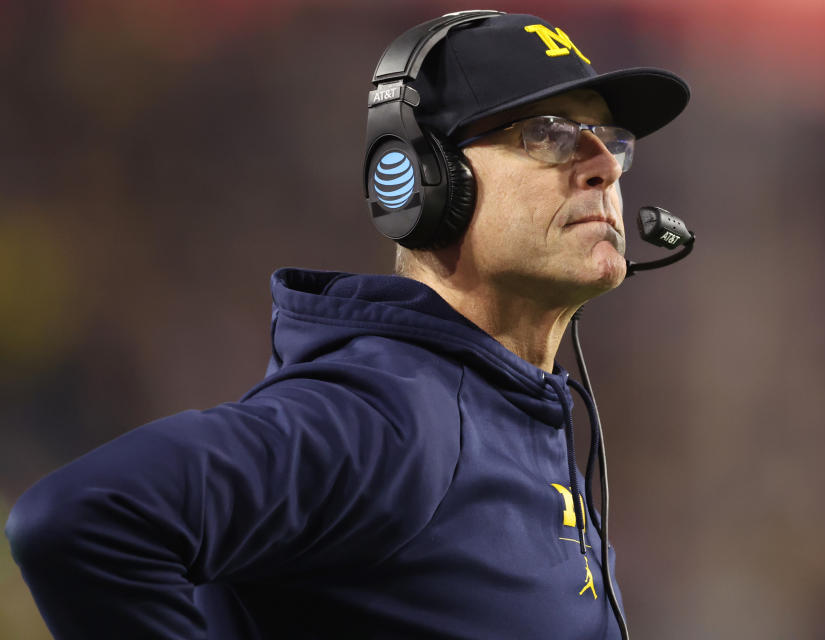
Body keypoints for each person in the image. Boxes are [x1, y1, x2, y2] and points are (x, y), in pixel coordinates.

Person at [5, 11, 689, 639]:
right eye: (549, 134)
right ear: (421, 182)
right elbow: (78, 520)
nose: (602, 165)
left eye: (609, 140)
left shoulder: (510, 416)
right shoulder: (389, 416)